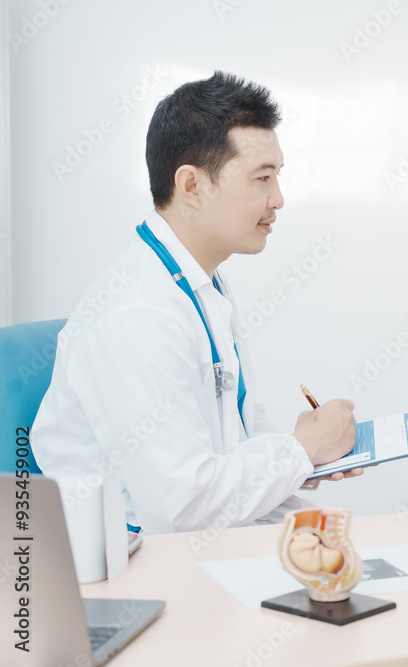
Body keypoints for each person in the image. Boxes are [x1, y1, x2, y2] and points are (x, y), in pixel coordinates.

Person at [32, 71, 361, 536]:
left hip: (200, 543)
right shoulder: (137, 314)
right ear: (191, 186)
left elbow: (227, 440)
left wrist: (311, 450)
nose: (278, 199)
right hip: (137, 569)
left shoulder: (198, 281)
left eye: (277, 176)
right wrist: (300, 452)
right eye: (261, 178)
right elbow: (179, 507)